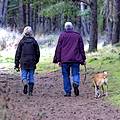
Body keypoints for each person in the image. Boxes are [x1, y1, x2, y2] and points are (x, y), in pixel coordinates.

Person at [53, 22, 86, 97]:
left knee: (65, 75)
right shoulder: (77, 36)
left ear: (65, 28)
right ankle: (76, 83)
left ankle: (67, 92)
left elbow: (58, 48)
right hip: (75, 59)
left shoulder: (62, 35)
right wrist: (83, 59)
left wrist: (57, 59)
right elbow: (81, 48)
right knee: (76, 73)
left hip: (64, 60)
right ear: (72, 27)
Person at [14, 26, 40, 96]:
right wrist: (36, 61)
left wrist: (16, 64)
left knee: (24, 76)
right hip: (32, 62)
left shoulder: (22, 42)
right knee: (31, 76)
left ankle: (25, 83)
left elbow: (18, 53)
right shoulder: (34, 41)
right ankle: (30, 92)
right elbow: (38, 53)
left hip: (23, 62)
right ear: (31, 32)